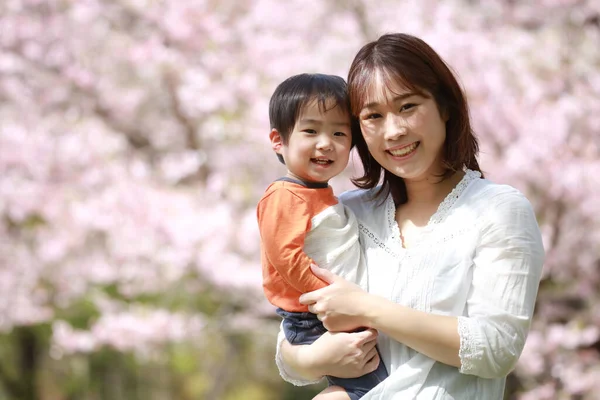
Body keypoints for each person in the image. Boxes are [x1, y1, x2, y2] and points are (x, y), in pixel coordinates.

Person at [274, 33, 545, 399]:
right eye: (373, 116)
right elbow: (293, 338)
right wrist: (313, 360)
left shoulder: (498, 210)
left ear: (445, 106)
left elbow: (496, 349)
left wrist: (367, 309)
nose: (394, 130)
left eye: (407, 107)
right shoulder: (346, 214)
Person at [257, 73, 388, 400]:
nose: (325, 143)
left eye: (339, 132)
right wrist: (332, 296)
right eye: (311, 130)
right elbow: (286, 259)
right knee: (376, 389)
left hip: (335, 309)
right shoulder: (284, 196)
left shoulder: (325, 196)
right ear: (278, 139)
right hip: (315, 316)